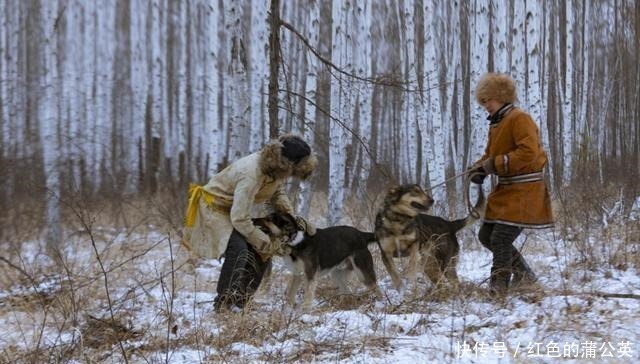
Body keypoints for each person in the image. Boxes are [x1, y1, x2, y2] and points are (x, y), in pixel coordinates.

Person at [183, 134, 317, 311]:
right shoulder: (251, 173)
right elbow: (239, 218)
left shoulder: (275, 169)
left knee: (261, 251)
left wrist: (291, 219)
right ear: (287, 163)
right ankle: (225, 303)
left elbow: (277, 192)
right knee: (238, 248)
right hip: (214, 208)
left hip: (231, 209)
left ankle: (240, 301)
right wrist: (264, 241)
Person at [468, 72, 554, 296]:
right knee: (486, 236)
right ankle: (525, 275)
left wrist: (492, 165)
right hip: (506, 191)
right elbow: (490, 155)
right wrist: (478, 169)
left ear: (502, 96)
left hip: (525, 191)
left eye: (489, 100)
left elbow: (528, 153)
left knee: (500, 238)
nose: (486, 105)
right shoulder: (496, 124)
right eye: (483, 101)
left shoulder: (519, 118)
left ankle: (498, 289)